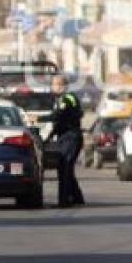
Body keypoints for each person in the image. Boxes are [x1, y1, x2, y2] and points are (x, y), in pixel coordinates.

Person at [42, 75, 84, 207]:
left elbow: (58, 115)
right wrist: (47, 138)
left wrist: (38, 119)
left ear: (63, 85)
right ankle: (77, 198)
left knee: (64, 168)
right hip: (64, 137)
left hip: (71, 137)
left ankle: (64, 201)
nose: (54, 86)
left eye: (57, 84)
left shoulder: (68, 98)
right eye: (54, 84)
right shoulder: (60, 100)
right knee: (66, 169)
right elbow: (58, 123)